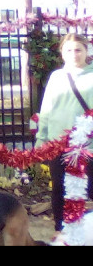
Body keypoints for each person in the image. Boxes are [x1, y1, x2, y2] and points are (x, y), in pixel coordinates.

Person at [34, 32, 93, 232]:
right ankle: (61, 231)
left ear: (87, 51)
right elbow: (47, 110)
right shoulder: (56, 77)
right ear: (62, 53)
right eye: (69, 50)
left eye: (78, 49)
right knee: (60, 189)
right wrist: (41, 140)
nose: (74, 54)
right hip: (58, 143)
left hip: (87, 146)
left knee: (89, 189)